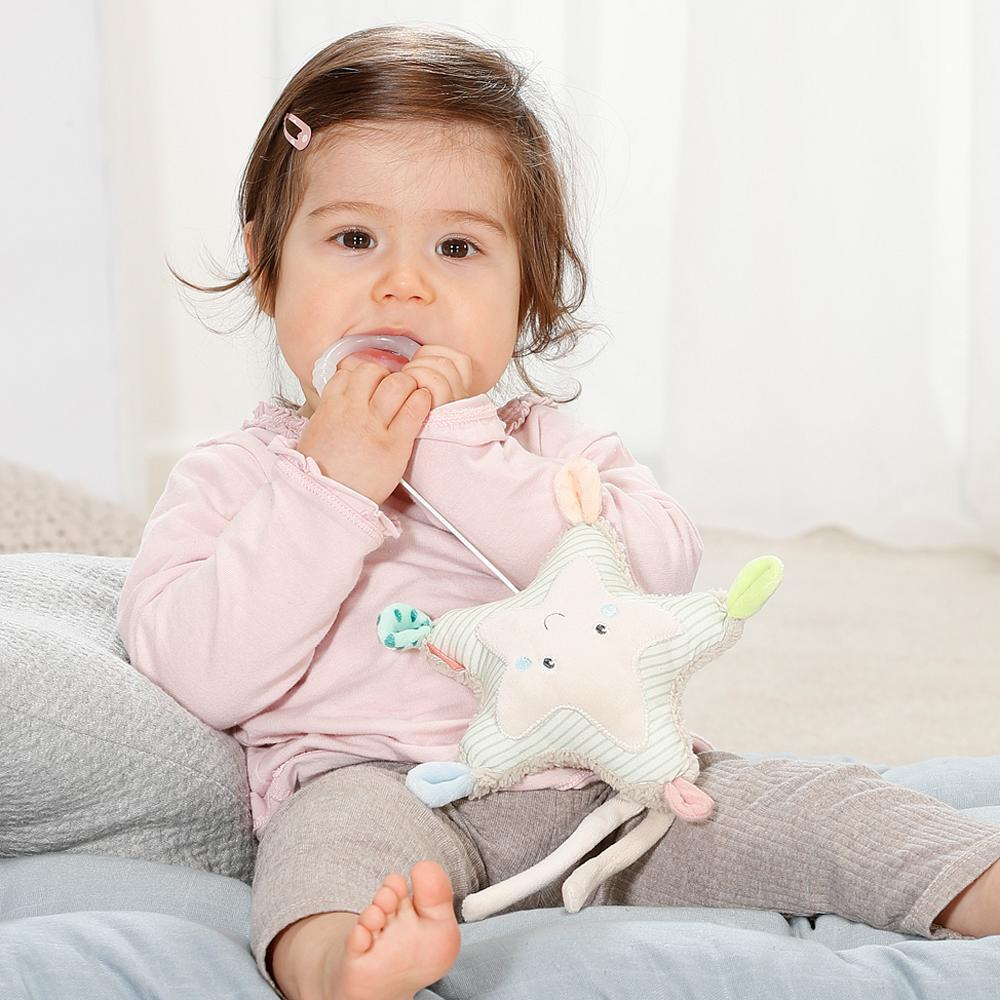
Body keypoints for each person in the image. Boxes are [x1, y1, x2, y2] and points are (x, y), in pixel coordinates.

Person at [116, 23, 1000, 1000]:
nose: (402, 284)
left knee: (826, 807)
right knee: (322, 863)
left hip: (610, 782)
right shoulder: (239, 475)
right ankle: (344, 967)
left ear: (525, 289)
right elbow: (199, 673)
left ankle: (974, 882)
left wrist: (459, 450)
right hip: (374, 787)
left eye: (457, 246)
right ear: (267, 263)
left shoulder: (549, 448)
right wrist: (328, 487)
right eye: (353, 239)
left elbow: (655, 571)